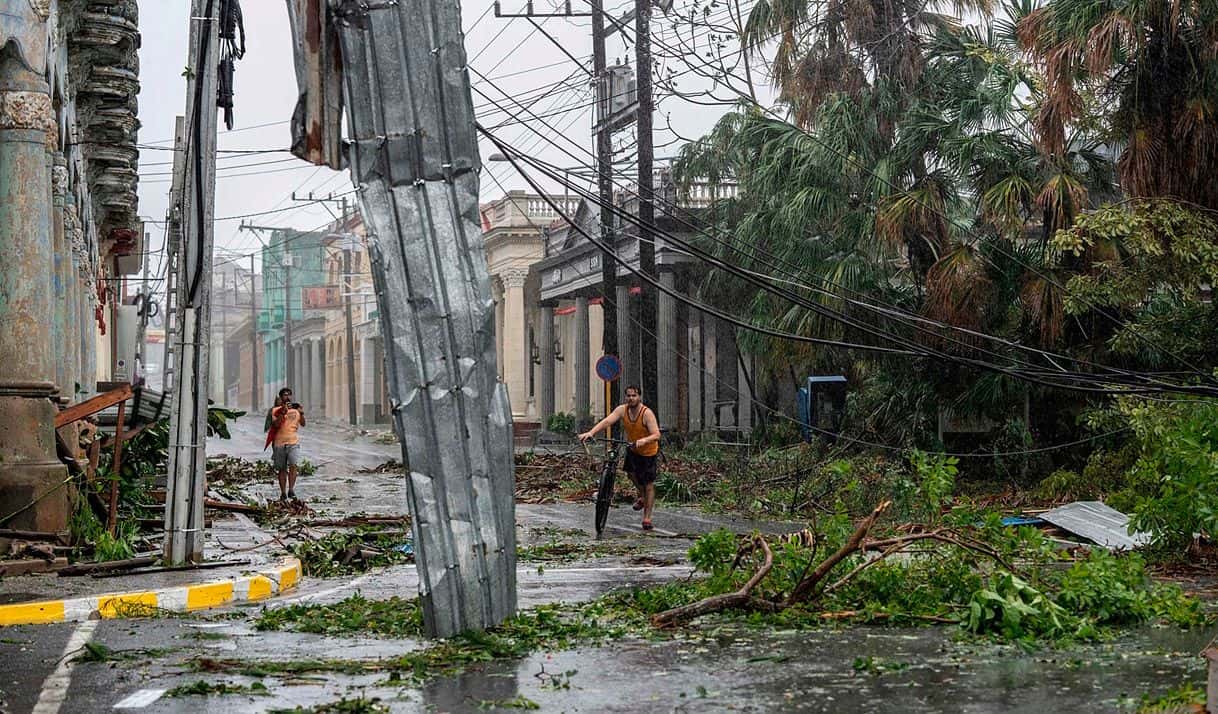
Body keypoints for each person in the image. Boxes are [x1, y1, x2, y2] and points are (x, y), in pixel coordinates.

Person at [578, 385, 662, 530]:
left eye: (634, 396)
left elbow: (656, 434)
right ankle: (641, 496)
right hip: (633, 448)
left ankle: (647, 518)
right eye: (628, 396)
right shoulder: (622, 410)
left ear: (639, 397)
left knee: (648, 484)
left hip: (648, 452)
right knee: (630, 474)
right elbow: (607, 421)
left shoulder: (646, 413)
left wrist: (644, 440)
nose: (631, 398)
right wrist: (591, 432)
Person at [268, 387, 306, 501]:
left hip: (293, 442)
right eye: (285, 395)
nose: (287, 397)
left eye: (289, 394)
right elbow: (275, 425)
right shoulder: (275, 411)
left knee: (294, 465)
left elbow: (303, 424)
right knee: (282, 469)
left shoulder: (296, 410)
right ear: (281, 397)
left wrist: (302, 413)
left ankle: (291, 490)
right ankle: (283, 492)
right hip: (279, 444)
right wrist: (283, 412)